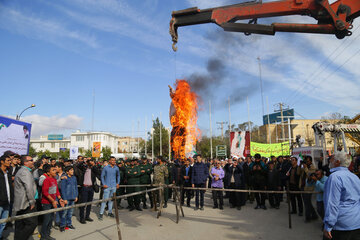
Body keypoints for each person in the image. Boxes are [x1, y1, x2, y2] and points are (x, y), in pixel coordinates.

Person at [323, 152, 360, 240]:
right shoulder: (354, 177)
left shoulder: (334, 177)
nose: (329, 160)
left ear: (337, 162)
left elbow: (332, 203)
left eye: (332, 158)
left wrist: (328, 226)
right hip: (356, 222)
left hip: (341, 225)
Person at [13, 155, 38, 240]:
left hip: (23, 202)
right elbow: (29, 188)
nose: (33, 161)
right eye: (31, 160)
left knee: (20, 223)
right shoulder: (25, 172)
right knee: (32, 223)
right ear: (25, 162)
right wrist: (32, 201)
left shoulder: (25, 171)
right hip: (26, 203)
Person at [41, 164, 65, 240]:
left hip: (53, 202)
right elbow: (45, 193)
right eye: (53, 170)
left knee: (51, 219)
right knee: (47, 219)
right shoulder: (46, 180)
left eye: (55, 169)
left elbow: (56, 190)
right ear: (48, 173)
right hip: (47, 203)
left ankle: (47, 234)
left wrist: (60, 198)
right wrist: (53, 201)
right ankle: (43, 236)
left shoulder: (54, 179)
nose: (55, 171)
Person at [75, 158, 100, 224]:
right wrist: (84, 161)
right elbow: (77, 166)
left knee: (89, 203)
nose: (89, 163)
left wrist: (93, 165)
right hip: (84, 187)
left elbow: (98, 172)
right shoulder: (83, 169)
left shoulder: (93, 169)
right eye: (88, 162)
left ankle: (87, 216)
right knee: (83, 203)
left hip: (91, 188)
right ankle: (82, 218)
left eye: (90, 161)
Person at [60, 166, 78, 232]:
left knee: (70, 213)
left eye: (72, 170)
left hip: (73, 198)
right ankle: (62, 225)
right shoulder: (65, 178)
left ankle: (69, 224)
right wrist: (64, 198)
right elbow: (63, 189)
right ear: (67, 172)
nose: (72, 171)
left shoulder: (74, 178)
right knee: (64, 213)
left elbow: (76, 187)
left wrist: (76, 196)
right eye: (71, 170)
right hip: (66, 198)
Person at [0, 155, 13, 238]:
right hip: (0, 202)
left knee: (4, 222)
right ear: (2, 161)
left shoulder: (8, 173)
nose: (10, 162)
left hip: (7, 202)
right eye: (8, 160)